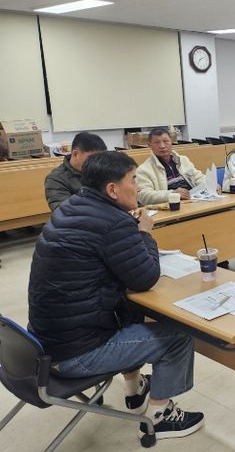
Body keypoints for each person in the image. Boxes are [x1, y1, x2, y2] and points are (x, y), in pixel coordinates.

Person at [28, 151, 204, 441]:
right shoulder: (113, 223)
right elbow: (145, 278)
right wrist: (144, 233)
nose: (137, 187)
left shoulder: (70, 208)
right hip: (76, 354)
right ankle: (159, 418)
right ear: (112, 189)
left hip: (44, 344)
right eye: (132, 180)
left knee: (130, 311)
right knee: (180, 336)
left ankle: (134, 390)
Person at [137, 128, 206, 205]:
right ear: (149, 145)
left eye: (166, 141)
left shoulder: (183, 160)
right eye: (157, 143)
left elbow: (198, 177)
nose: (162, 146)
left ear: (171, 142)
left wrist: (210, 185)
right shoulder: (143, 170)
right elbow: (143, 195)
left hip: (193, 200)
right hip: (171, 206)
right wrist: (172, 194)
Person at [44, 132, 107, 211]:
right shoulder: (56, 179)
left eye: (100, 159)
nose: (97, 163)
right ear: (76, 154)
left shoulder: (103, 171)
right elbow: (64, 211)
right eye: (92, 158)